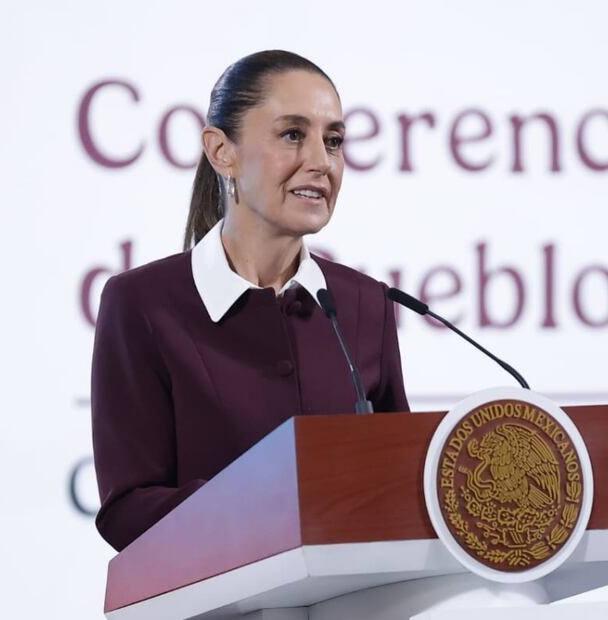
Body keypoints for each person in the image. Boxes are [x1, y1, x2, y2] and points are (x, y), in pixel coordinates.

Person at [91, 50, 409, 552]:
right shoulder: (143, 304)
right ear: (222, 152)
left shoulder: (365, 303)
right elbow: (127, 509)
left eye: (334, 141)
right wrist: (274, 508)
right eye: (292, 135)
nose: (321, 163)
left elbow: (403, 485)